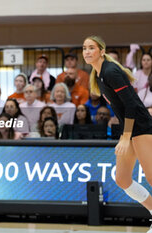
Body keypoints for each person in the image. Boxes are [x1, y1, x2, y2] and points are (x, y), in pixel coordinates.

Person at [83, 35, 152, 233]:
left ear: (101, 51)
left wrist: (125, 136)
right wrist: (125, 133)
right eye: (84, 48)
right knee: (122, 179)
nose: (87, 51)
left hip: (141, 126)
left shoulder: (111, 71)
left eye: (91, 47)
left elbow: (131, 104)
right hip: (129, 128)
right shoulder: (98, 74)